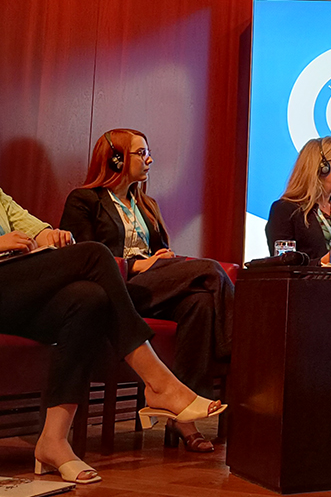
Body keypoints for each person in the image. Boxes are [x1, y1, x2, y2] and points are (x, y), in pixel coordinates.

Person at [0, 90, 224, 484]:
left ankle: (53, 440)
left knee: (88, 299)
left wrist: (48, 236)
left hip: (7, 293)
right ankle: (159, 383)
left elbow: (36, 228)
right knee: (95, 255)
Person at [59, 129, 234, 453]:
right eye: (141, 153)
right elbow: (82, 257)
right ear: (115, 159)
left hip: (153, 286)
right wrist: (138, 264)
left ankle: (182, 416)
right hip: (115, 289)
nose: (149, 160)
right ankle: (234, 350)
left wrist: (162, 259)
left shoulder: (146, 205)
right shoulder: (84, 200)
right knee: (210, 270)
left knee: (200, 302)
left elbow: (159, 251)